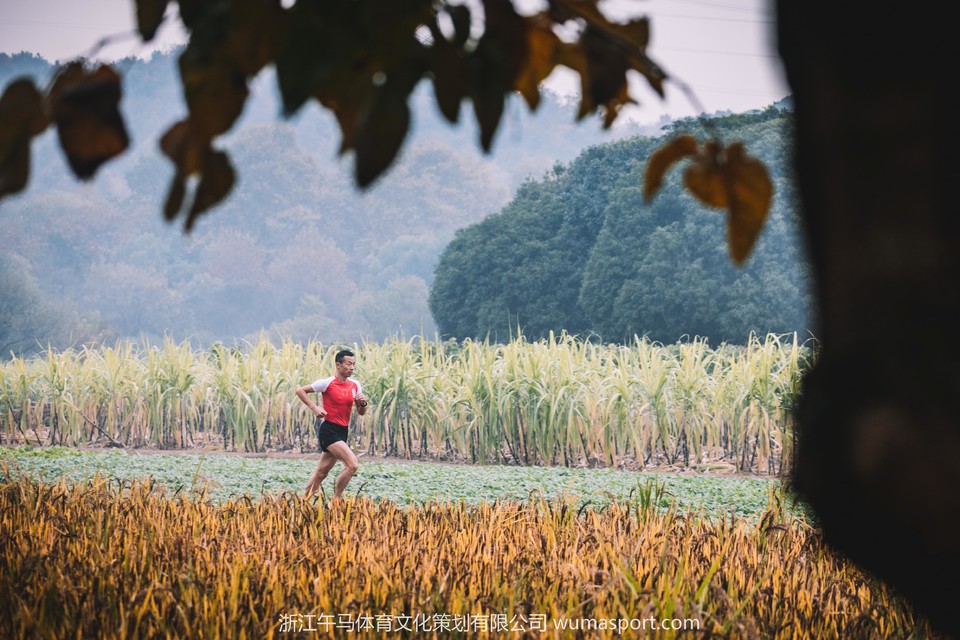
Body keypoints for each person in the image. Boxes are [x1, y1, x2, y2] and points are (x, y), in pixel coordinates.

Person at [295, 348, 368, 503]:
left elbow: (361, 412)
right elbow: (300, 390)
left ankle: (303, 503)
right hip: (329, 430)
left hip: (343, 431)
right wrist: (314, 407)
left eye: (354, 364)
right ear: (338, 365)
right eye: (349, 364)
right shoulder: (327, 383)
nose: (352, 368)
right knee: (352, 465)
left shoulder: (355, 385)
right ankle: (335, 501)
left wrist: (363, 403)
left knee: (321, 472)